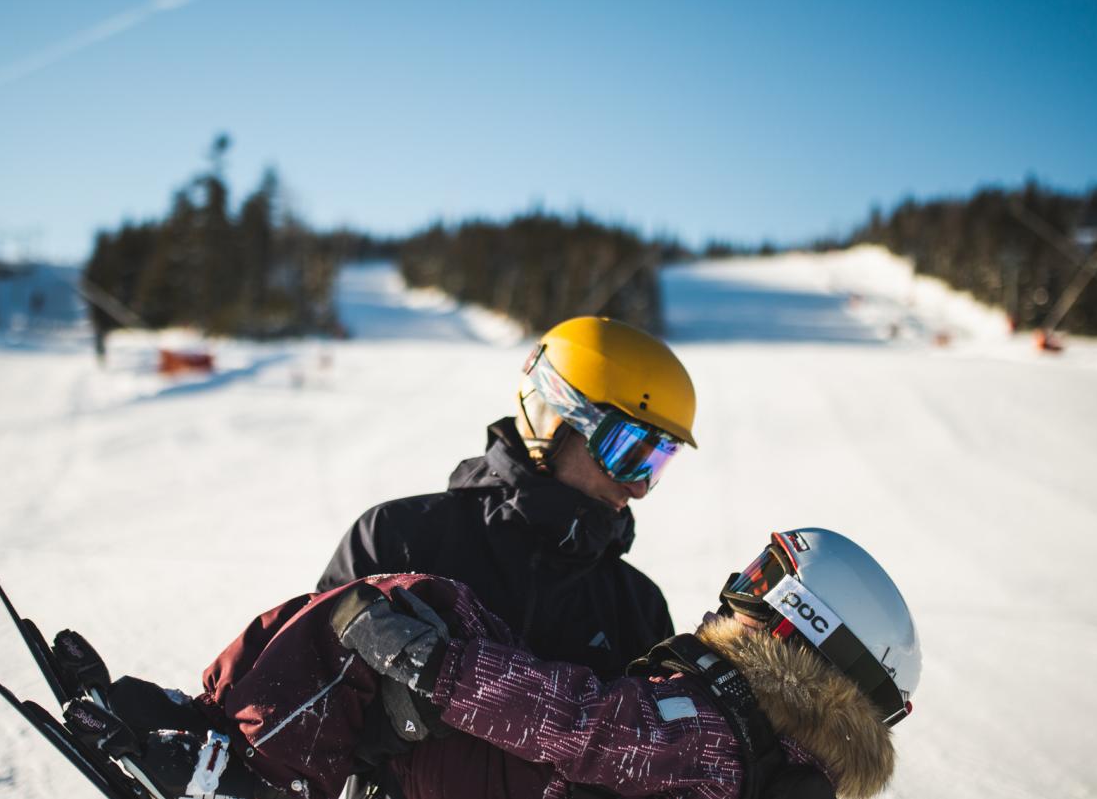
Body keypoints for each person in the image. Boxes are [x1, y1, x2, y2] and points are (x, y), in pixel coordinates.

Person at [64, 527, 920, 799]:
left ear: (800, 630)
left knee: (408, 611)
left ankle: (240, 767)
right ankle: (216, 731)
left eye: (758, 584)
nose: (732, 596)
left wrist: (439, 666)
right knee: (425, 608)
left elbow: (581, 725)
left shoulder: (715, 730)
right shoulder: (760, 754)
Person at [319, 315, 699, 680]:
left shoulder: (637, 608)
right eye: (627, 454)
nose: (639, 488)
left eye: (656, 462)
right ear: (553, 420)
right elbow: (302, 690)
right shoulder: (399, 540)